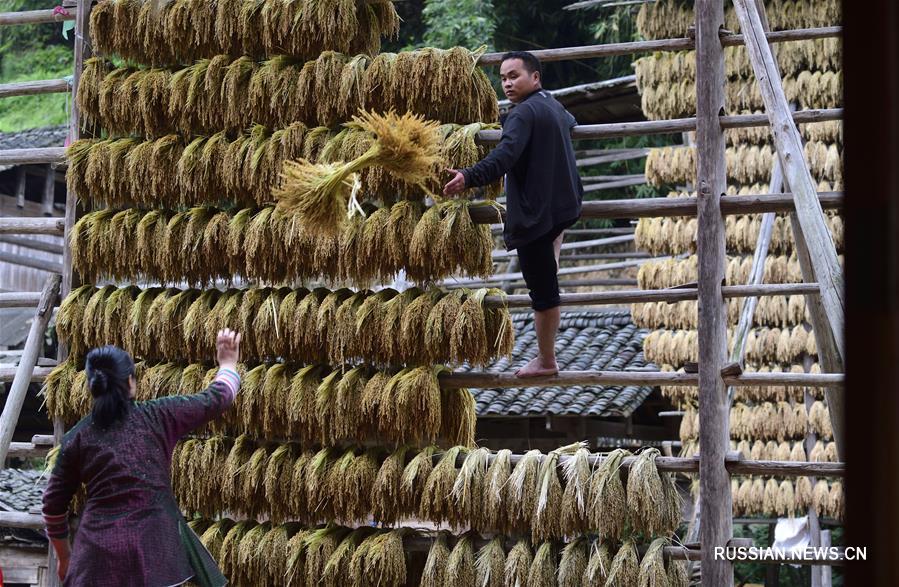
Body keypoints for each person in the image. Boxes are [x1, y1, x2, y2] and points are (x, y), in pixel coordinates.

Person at [42, 329, 242, 586]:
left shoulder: (76, 438)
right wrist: (227, 362)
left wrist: (65, 558)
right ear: (131, 383)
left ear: (94, 388)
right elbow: (217, 398)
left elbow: (52, 506)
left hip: (94, 561)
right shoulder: (158, 417)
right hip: (152, 558)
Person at [444, 51, 583, 377]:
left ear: (534, 77)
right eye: (503, 77)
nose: (507, 83)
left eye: (514, 76)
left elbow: (505, 157)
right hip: (563, 206)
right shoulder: (552, 105)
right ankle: (550, 270)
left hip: (537, 215)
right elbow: (572, 123)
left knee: (543, 292)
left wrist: (468, 176)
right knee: (548, 264)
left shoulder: (521, 115)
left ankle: (547, 361)